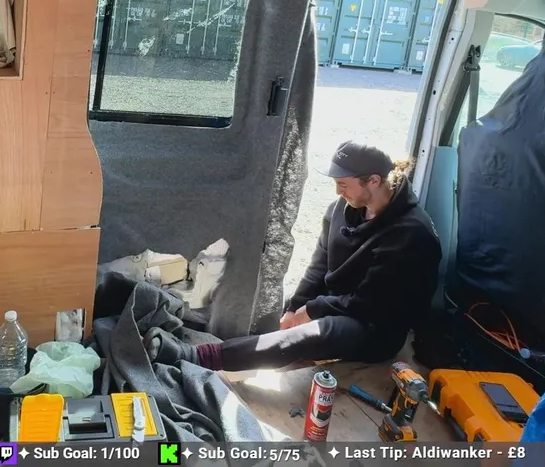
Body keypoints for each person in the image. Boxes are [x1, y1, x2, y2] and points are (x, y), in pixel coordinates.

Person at [185, 141, 442, 372]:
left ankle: (200, 357)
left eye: (343, 184)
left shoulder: (411, 234)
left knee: (311, 335)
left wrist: (313, 309)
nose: (337, 192)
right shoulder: (342, 208)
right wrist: (295, 307)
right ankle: (235, 347)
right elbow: (318, 266)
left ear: (373, 181)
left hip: (373, 325)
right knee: (273, 314)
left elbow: (370, 303)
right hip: (335, 302)